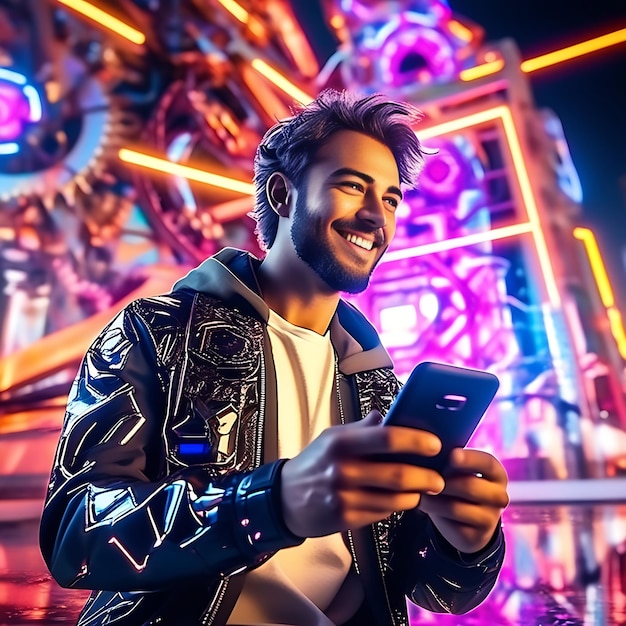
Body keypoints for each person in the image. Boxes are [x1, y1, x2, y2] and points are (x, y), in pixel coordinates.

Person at [39, 89, 509, 626]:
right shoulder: (154, 331)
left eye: (391, 199)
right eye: (353, 185)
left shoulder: (374, 378)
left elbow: (429, 589)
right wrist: (271, 505)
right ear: (283, 194)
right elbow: (75, 535)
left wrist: (466, 544)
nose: (375, 216)